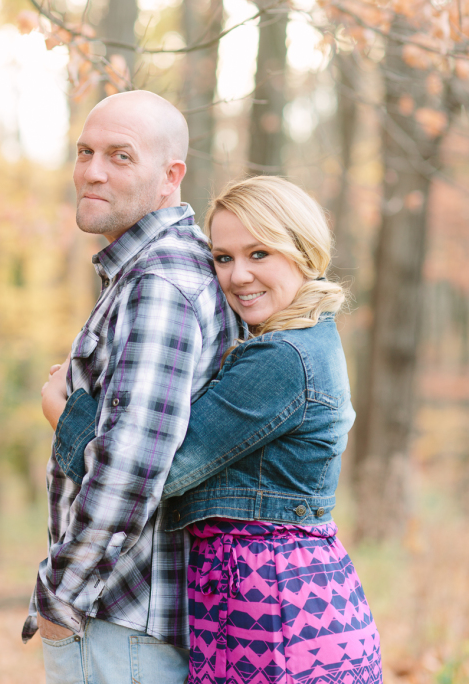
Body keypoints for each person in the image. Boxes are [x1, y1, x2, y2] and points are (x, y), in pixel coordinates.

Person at [54, 175, 383, 684]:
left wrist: (68, 416)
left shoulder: (283, 358)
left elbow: (155, 475)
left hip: (274, 610)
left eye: (259, 254)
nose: (238, 276)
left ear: (303, 252)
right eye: (224, 258)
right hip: (259, 598)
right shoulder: (301, 340)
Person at [23, 90, 241, 684]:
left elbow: (133, 465)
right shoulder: (161, 271)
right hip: (128, 622)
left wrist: (58, 597)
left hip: (118, 622)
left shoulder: (161, 285)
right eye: (85, 151)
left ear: (171, 177)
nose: (92, 171)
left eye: (121, 156)